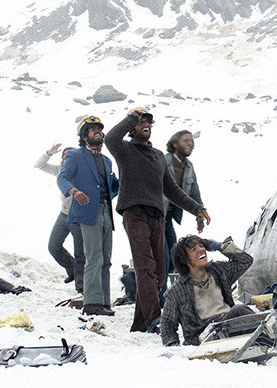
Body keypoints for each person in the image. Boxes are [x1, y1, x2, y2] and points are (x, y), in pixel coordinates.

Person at [105, 106, 211, 333]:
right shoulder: (124, 149)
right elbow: (111, 137)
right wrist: (132, 116)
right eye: (141, 122)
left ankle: (141, 324)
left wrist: (197, 209)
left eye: (148, 122)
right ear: (132, 128)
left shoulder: (157, 157)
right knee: (145, 268)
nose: (146, 124)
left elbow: (171, 189)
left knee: (159, 273)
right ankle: (155, 318)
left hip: (157, 217)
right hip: (135, 213)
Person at [57, 116, 120, 316]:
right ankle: (92, 303)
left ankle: (104, 302)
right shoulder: (76, 155)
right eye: (92, 130)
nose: (97, 132)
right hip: (87, 212)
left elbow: (112, 188)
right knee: (94, 256)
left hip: (106, 211)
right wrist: (74, 192)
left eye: (99, 129)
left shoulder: (107, 160)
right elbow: (62, 178)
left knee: (106, 258)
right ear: (84, 136)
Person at [160, 235, 255, 346]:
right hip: (205, 336)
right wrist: (172, 345)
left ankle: (270, 339)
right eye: (193, 249)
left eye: (201, 246)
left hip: (229, 323)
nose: (201, 250)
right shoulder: (177, 290)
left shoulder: (218, 271)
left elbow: (245, 261)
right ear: (184, 259)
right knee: (239, 310)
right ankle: (271, 340)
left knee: (245, 315)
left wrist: (220, 246)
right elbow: (167, 323)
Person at [35, 143, 85, 291]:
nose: (66, 158)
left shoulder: (82, 172)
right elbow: (39, 165)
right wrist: (49, 152)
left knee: (80, 252)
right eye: (64, 156)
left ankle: (82, 286)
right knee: (53, 246)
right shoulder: (59, 170)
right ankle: (73, 270)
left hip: (78, 217)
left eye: (69, 156)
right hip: (63, 215)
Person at [162, 130, 205, 281]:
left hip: (169, 217)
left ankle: (168, 292)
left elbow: (194, 192)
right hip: (157, 215)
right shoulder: (162, 161)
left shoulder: (189, 167)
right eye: (186, 140)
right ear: (174, 144)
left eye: (192, 141)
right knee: (163, 255)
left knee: (173, 254)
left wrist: (200, 213)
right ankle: (160, 296)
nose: (190, 143)